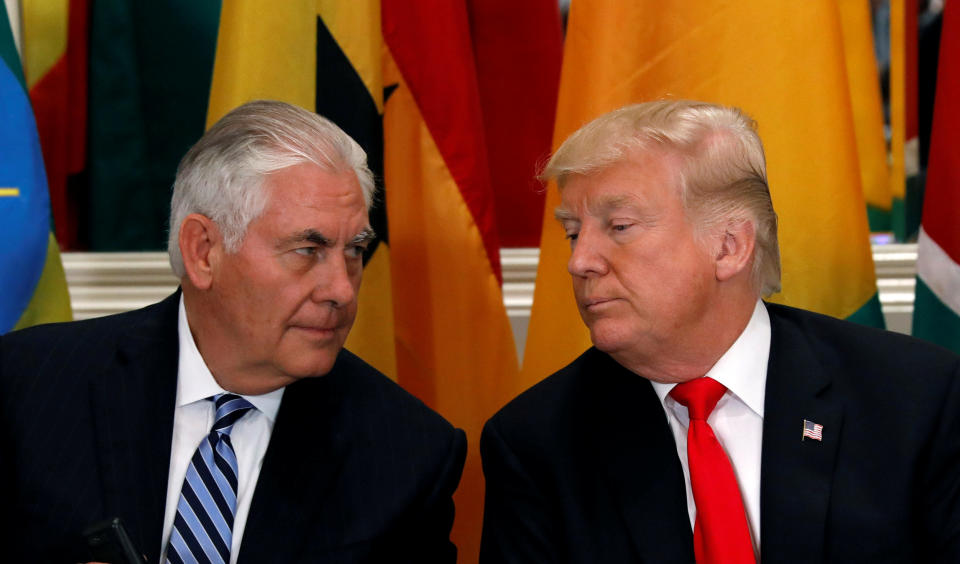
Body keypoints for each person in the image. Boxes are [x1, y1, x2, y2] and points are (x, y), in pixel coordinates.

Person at [479, 100, 960, 563]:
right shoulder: (536, 442)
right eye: (572, 232)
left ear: (729, 246)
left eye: (620, 226)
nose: (579, 261)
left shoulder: (915, 400)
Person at [0, 100, 466, 563]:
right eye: (308, 249)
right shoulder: (29, 387)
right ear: (203, 251)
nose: (342, 291)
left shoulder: (407, 455)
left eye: (354, 251)